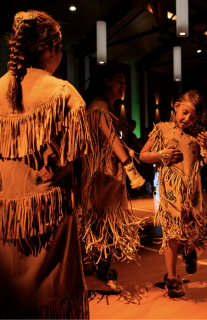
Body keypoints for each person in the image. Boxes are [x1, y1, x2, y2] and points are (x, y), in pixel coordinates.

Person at [0, 10, 90, 319]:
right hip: (51, 212)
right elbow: (76, 152)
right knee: (54, 293)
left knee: (11, 291)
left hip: (6, 214)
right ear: (49, 49)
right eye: (60, 47)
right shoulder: (63, 92)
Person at [140, 89, 207, 297]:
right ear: (176, 107)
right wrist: (161, 154)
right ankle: (171, 277)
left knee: (190, 229)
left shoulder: (198, 133)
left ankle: (190, 252)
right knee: (172, 235)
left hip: (192, 194)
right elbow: (143, 155)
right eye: (185, 112)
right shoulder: (162, 130)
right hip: (171, 194)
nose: (187, 119)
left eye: (193, 116)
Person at [81, 66, 145, 292]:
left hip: (101, 175)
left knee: (98, 224)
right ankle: (102, 271)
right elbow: (111, 139)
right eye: (120, 80)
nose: (124, 85)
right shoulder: (99, 107)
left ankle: (97, 268)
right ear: (107, 82)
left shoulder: (102, 107)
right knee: (104, 223)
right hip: (103, 175)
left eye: (125, 81)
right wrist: (130, 168)